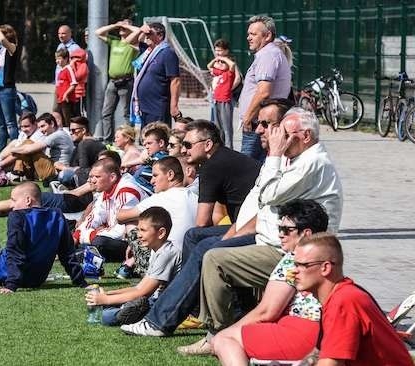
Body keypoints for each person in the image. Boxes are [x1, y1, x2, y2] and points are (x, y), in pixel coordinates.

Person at [122, 102, 343, 338]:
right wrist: (233, 231)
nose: (263, 131)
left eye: (270, 126)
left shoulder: (309, 162)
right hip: (269, 236)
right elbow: (257, 206)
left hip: (287, 248)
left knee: (210, 253)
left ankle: (208, 330)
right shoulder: (295, 159)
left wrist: (275, 154)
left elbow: (265, 198)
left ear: (306, 136)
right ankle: (189, 307)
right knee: (195, 237)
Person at [183, 199, 329, 360]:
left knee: (224, 341)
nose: (280, 234)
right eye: (279, 228)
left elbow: (267, 311)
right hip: (322, 332)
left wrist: (228, 332)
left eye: (287, 230)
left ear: (306, 234)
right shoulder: (327, 260)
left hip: (300, 334)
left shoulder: (294, 261)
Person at [0, 182, 87, 293]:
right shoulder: (57, 216)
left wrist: (11, 285)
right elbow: (66, 253)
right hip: (36, 280)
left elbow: (15, 251)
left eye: (14, 200)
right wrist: (80, 281)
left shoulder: (17, 216)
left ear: (27, 200)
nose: (11, 205)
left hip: (5, 276)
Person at [293, 233, 413, 365]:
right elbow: (319, 353)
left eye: (302, 265)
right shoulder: (341, 294)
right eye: (295, 264)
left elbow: (330, 363)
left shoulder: (343, 302)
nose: (294, 271)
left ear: (325, 268)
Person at [86, 207, 182, 326]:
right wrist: (108, 294)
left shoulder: (167, 254)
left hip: (165, 304)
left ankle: (133, 312)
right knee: (109, 306)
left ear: (161, 233)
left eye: (143, 230)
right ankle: (129, 309)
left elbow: (143, 292)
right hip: (152, 299)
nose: (139, 235)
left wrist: (106, 300)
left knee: (105, 316)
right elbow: (139, 288)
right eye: (138, 230)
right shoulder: (156, 251)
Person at [238, 15, 292, 162]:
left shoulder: (267, 55)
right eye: (248, 34)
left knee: (246, 169)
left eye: (253, 34)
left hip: (258, 125)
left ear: (267, 36)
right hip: (261, 123)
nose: (249, 37)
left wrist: (248, 118)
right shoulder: (269, 54)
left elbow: (264, 92)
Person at [73, 158, 147, 262]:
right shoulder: (106, 189)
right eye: (92, 177)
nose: (93, 180)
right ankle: (81, 250)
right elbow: (94, 217)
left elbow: (120, 231)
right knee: (72, 232)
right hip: (109, 235)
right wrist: (76, 236)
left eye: (97, 177)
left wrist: (88, 235)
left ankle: (82, 251)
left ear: (112, 177)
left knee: (99, 242)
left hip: (132, 241)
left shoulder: (127, 191)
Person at [96, 20, 142, 142]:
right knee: (106, 112)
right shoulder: (114, 41)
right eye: (120, 26)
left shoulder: (133, 44)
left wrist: (128, 26)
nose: (122, 28)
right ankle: (108, 140)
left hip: (125, 82)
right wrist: (115, 25)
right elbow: (98, 32)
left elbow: (138, 30)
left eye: (125, 27)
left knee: (126, 114)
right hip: (112, 82)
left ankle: (128, 140)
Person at [131, 22, 180, 128]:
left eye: (150, 34)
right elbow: (130, 41)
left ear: (160, 35)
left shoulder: (167, 53)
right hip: (144, 106)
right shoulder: (148, 51)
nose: (147, 37)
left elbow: (175, 80)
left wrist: (174, 105)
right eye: (146, 34)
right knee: (147, 138)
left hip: (157, 106)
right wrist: (140, 30)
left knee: (158, 136)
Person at [9, 113, 74, 181]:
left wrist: (12, 149)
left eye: (43, 126)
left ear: (52, 123)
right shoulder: (58, 133)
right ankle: (19, 173)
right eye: (39, 127)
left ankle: (17, 173)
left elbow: (29, 149)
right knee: (27, 146)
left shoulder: (56, 135)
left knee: (28, 143)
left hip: (56, 171)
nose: (41, 130)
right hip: (54, 167)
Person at [0, 24, 21, 152]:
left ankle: (15, 151)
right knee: (0, 124)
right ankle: (1, 151)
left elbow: (2, 40)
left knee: (10, 123)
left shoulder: (12, 48)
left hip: (6, 90)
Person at [54, 116, 105, 188]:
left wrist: (63, 167)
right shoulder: (96, 142)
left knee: (64, 175)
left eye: (73, 130)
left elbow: (83, 170)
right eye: (70, 130)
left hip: (89, 180)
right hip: (97, 177)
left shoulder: (84, 144)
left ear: (83, 130)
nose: (71, 133)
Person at [207, 39, 239, 149]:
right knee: (217, 125)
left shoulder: (230, 70)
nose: (218, 53)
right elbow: (209, 66)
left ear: (226, 51)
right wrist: (217, 59)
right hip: (216, 98)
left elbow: (232, 65)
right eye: (216, 51)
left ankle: (229, 147)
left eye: (220, 50)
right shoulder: (219, 69)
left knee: (226, 127)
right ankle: (220, 146)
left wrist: (222, 58)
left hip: (225, 100)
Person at [125, 122, 169, 194]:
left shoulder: (161, 158)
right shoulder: (154, 157)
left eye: (149, 143)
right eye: (145, 144)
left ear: (161, 143)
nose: (146, 147)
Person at [55, 48, 79, 126]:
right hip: (60, 100)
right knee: (60, 119)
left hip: (67, 100)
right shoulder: (61, 70)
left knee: (67, 119)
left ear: (66, 59)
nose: (57, 61)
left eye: (59, 59)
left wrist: (66, 94)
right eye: (56, 59)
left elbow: (74, 83)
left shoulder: (68, 69)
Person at [70, 48, 89, 117]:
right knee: (73, 111)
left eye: (78, 57)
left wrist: (72, 66)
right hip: (72, 92)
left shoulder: (83, 65)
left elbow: (76, 77)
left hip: (79, 93)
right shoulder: (73, 64)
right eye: (73, 57)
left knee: (78, 112)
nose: (75, 59)